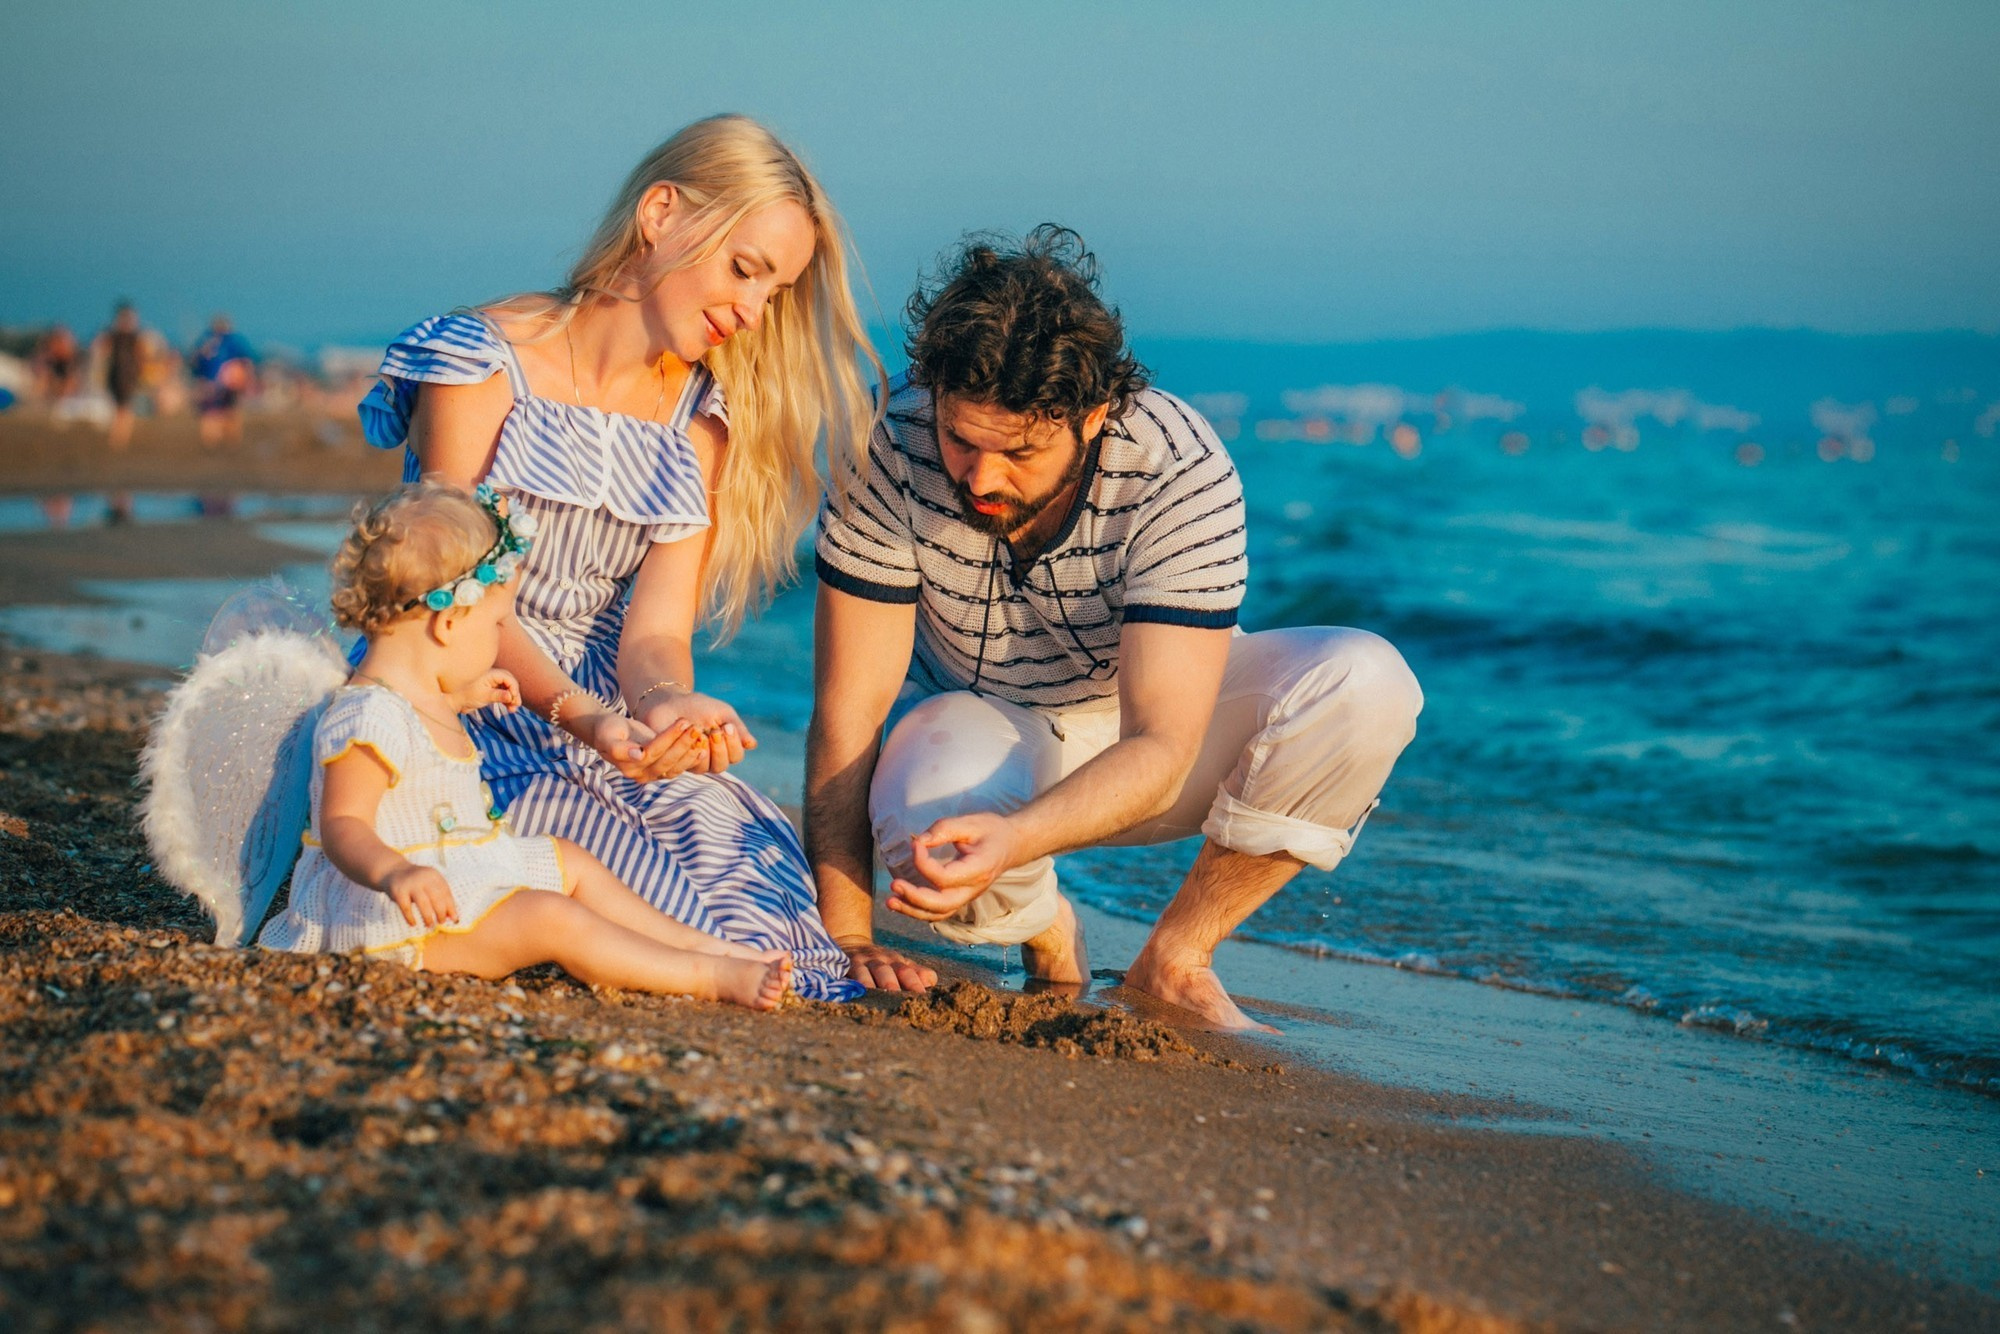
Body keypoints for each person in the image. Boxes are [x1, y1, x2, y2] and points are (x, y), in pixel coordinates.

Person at [806, 227, 1425, 1029]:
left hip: (1156, 734)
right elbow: (849, 712)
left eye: (1019, 452)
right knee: (924, 818)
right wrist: (846, 936)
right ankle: (1043, 923)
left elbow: (1162, 746)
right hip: (978, 728)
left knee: (1366, 684)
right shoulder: (888, 437)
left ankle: (1177, 957)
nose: (982, 477)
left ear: (1094, 415)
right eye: (960, 439)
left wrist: (1015, 838)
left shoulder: (1177, 468)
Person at [357, 114, 881, 1001]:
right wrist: (584, 720)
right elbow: (455, 597)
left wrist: (664, 705)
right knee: (647, 910)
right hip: (460, 696)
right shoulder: (480, 364)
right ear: (660, 212)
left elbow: (654, 634)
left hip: (604, 716)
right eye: (744, 268)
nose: (754, 311)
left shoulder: (699, 423)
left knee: (752, 894)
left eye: (775, 290)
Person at [257, 481, 794, 1009]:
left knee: (569, 859)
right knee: (549, 918)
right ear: (449, 624)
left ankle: (704, 944)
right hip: (397, 924)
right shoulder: (366, 718)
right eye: (497, 623)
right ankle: (707, 975)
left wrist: (463, 696)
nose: (501, 638)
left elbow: (420, 721)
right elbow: (343, 824)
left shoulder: (419, 696)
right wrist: (394, 873)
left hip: (459, 874)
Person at [190, 313, 255, 447]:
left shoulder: (206, 340)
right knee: (219, 411)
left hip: (217, 382)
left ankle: (218, 442)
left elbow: (195, 361)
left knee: (216, 411)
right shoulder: (229, 340)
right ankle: (221, 441)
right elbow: (246, 361)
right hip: (220, 382)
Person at [96, 302, 145, 450]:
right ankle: (118, 436)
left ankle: (121, 437)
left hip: (128, 375)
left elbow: (140, 355)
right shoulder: (114, 335)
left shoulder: (133, 336)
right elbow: (102, 351)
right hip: (116, 375)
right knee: (119, 407)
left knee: (125, 407)